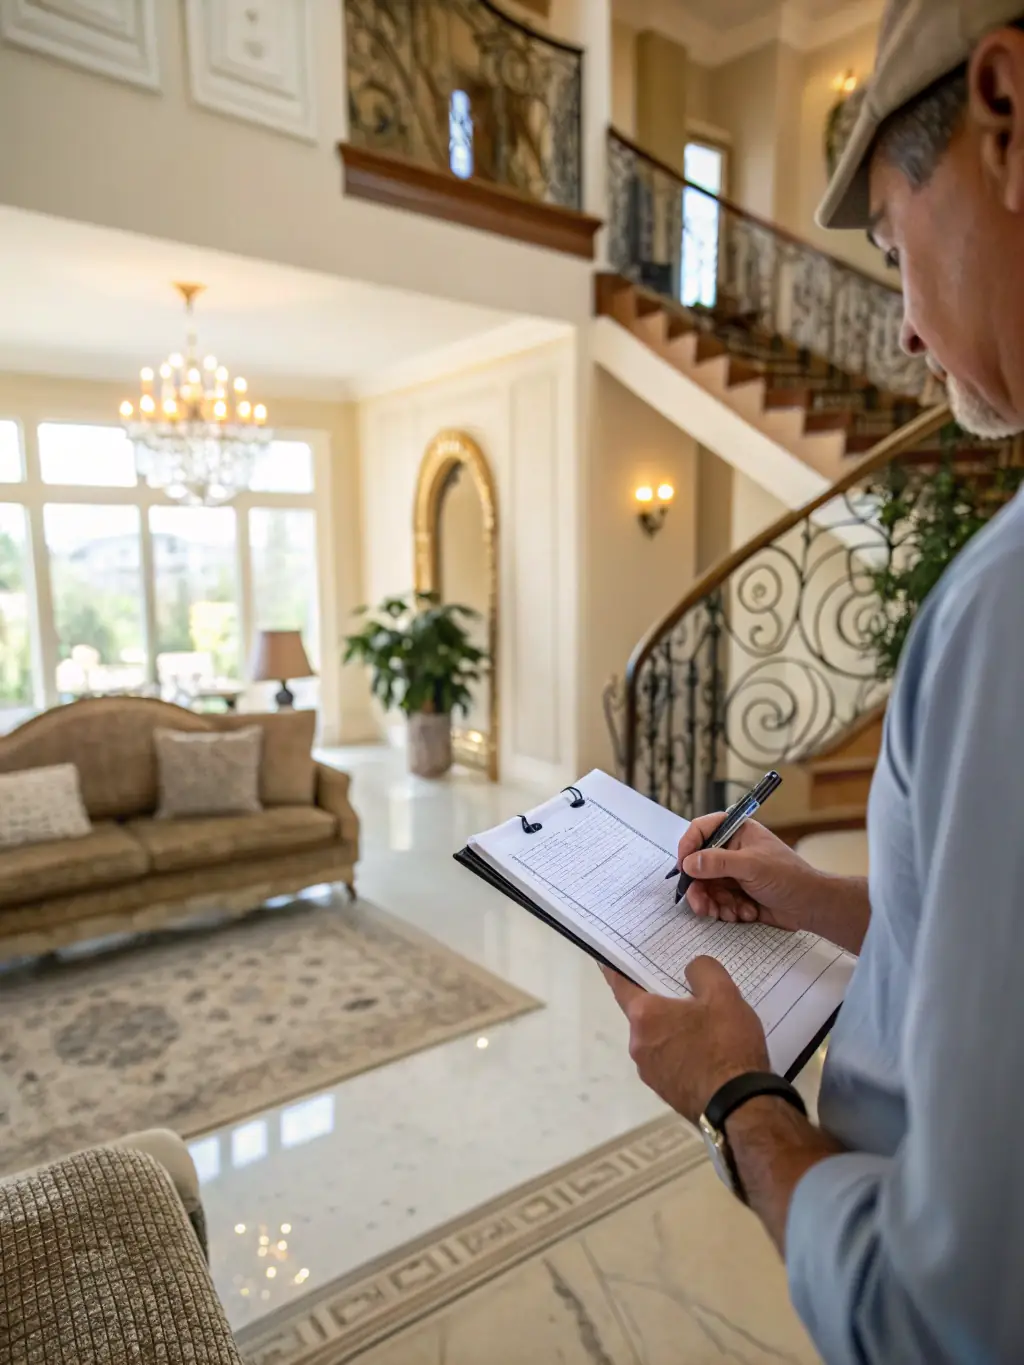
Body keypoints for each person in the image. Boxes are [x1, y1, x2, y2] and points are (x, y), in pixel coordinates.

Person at [603, 3, 1024, 1361]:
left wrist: (738, 1099)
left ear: (1005, 115)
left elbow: (945, 1314)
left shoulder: (1002, 611)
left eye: (895, 253)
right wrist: (828, 900)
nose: (899, 327)